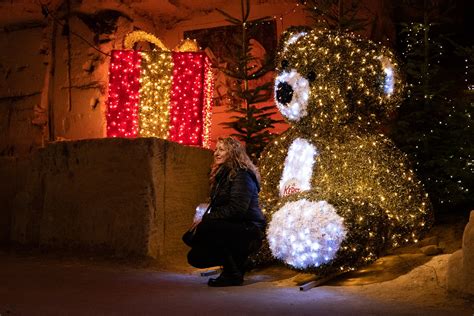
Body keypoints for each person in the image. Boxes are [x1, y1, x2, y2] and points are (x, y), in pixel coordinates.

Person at [186, 136, 266, 287]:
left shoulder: (242, 175)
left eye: (221, 149)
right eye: (216, 149)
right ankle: (238, 264)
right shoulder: (223, 175)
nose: (216, 153)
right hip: (235, 227)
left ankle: (233, 273)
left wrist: (206, 219)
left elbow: (237, 210)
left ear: (233, 153)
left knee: (207, 227)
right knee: (195, 256)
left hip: (249, 229)